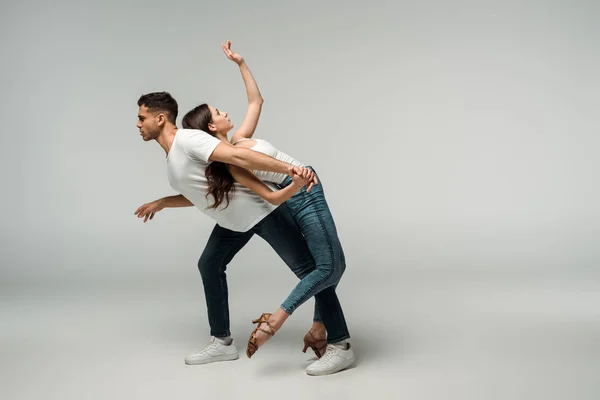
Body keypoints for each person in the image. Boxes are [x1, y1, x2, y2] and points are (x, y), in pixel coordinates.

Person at [134, 44, 354, 376]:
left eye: (141, 117)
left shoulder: (189, 140)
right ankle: (222, 343)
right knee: (209, 264)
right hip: (233, 220)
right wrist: (164, 202)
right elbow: (202, 193)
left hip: (260, 212)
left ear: (160, 118)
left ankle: (339, 343)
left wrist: (288, 169)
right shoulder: (174, 158)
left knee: (312, 269)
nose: (138, 124)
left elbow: (238, 158)